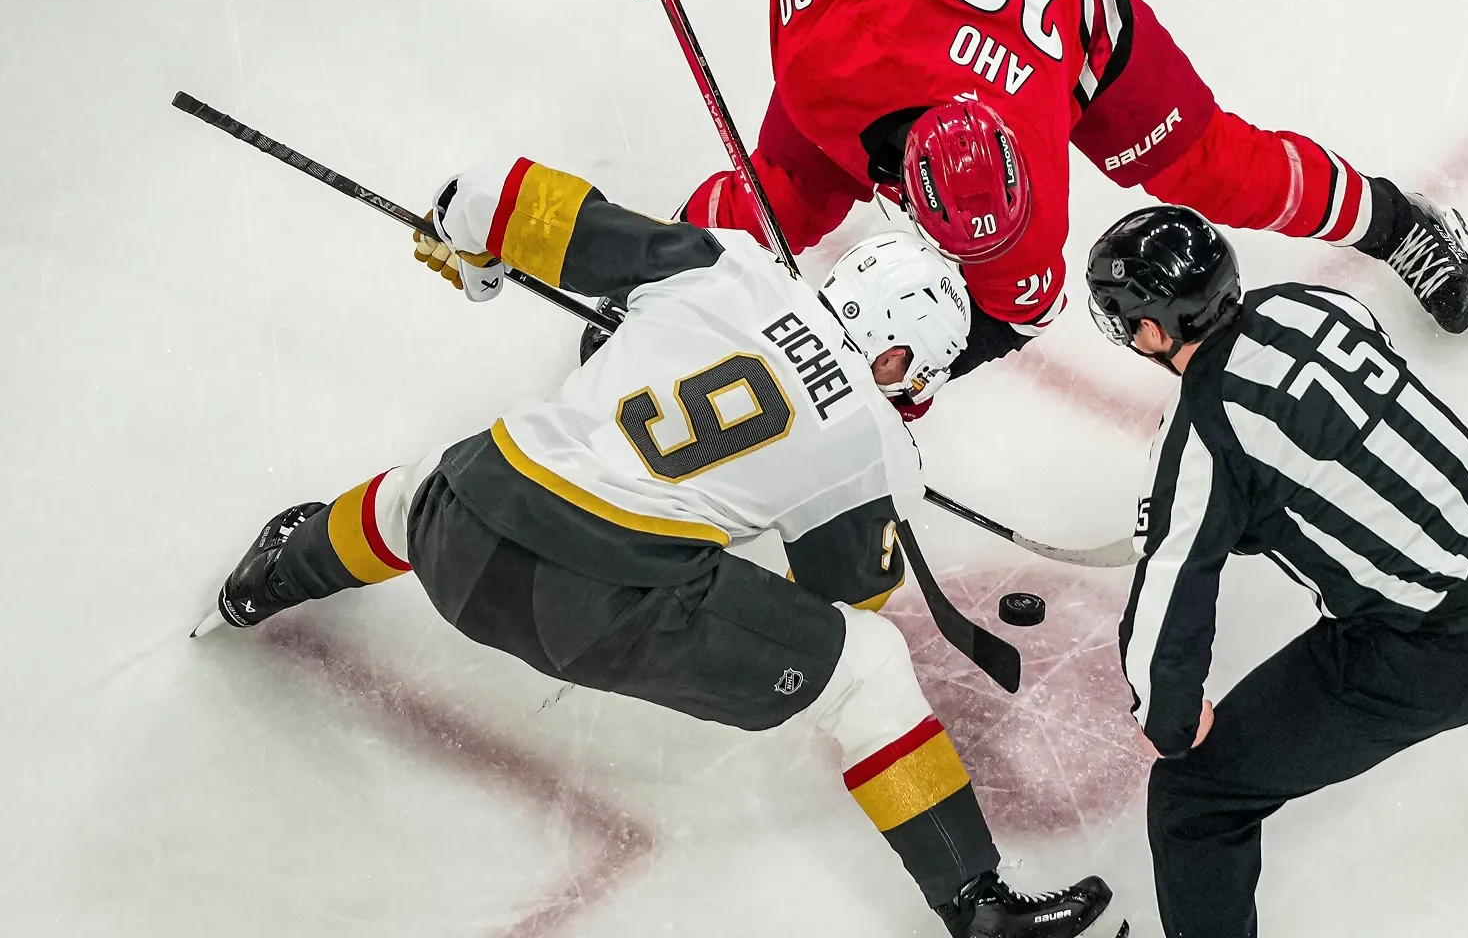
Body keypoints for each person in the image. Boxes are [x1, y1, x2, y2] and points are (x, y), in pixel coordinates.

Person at [196, 158, 1123, 938]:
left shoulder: (727, 264)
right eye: (913, 378)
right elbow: (846, 599)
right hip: (596, 613)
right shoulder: (880, 446)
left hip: (461, 529)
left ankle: (271, 575)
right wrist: (852, 484)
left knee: (419, 494)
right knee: (868, 668)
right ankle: (974, 901)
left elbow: (525, 203)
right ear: (894, 361)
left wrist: (464, 227)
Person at [594, 0, 1468, 417]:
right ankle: (651, 280)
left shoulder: (1028, 211)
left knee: (1209, 168)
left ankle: (1400, 224)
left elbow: (1015, 312)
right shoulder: (834, 46)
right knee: (781, 201)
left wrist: (923, 374)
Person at [1081, 206, 1468, 937]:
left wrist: (1165, 719)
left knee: (1194, 800)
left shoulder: (1201, 434)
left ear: (1153, 330)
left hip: (1453, 652)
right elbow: (1353, 438)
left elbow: (1170, 605)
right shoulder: (1312, 302)